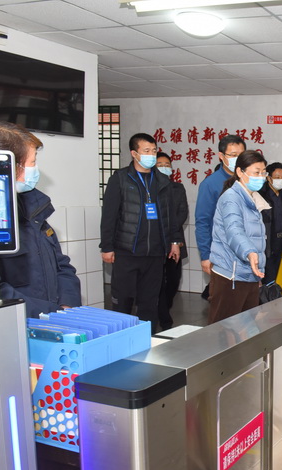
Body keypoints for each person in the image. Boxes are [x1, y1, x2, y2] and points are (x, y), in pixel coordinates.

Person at [0, 120, 82, 318]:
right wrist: (49, 314)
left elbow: (61, 264)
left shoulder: (34, 207)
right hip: (13, 323)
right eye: (33, 162)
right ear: (10, 165)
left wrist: (67, 305)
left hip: (51, 320)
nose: (35, 170)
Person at [100, 133, 182, 332]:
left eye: (153, 151)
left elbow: (170, 215)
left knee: (149, 302)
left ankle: (148, 339)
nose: (151, 155)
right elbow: (109, 214)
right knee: (123, 301)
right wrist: (107, 246)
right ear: (134, 153)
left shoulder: (162, 181)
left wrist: (175, 241)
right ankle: (120, 340)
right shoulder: (120, 179)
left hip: (155, 253)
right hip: (127, 251)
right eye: (146, 151)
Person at [208, 150, 269, 324]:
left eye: (263, 173)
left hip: (249, 274)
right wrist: (249, 252)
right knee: (222, 330)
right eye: (256, 172)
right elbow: (234, 231)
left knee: (246, 329)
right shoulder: (231, 198)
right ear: (240, 172)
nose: (261, 177)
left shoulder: (253, 198)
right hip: (231, 275)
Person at [195, 134, 246, 299]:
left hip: (244, 254)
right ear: (221, 156)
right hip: (221, 254)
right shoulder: (210, 184)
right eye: (233, 155)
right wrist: (205, 255)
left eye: (241, 155)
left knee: (245, 303)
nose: (238, 159)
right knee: (224, 302)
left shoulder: (248, 181)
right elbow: (203, 222)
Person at [155, 152, 188, 331]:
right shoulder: (149, 188)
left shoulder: (177, 188)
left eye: (167, 164)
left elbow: (182, 213)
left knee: (174, 280)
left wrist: (171, 232)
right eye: (160, 164)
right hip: (155, 243)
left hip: (175, 241)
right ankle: (164, 318)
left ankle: (163, 308)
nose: (164, 167)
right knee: (158, 282)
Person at [259, 161, 282, 286]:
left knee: (273, 275)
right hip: (267, 241)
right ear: (268, 178)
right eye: (277, 177)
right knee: (264, 275)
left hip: (279, 240)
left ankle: (269, 294)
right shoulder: (261, 195)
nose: (280, 180)